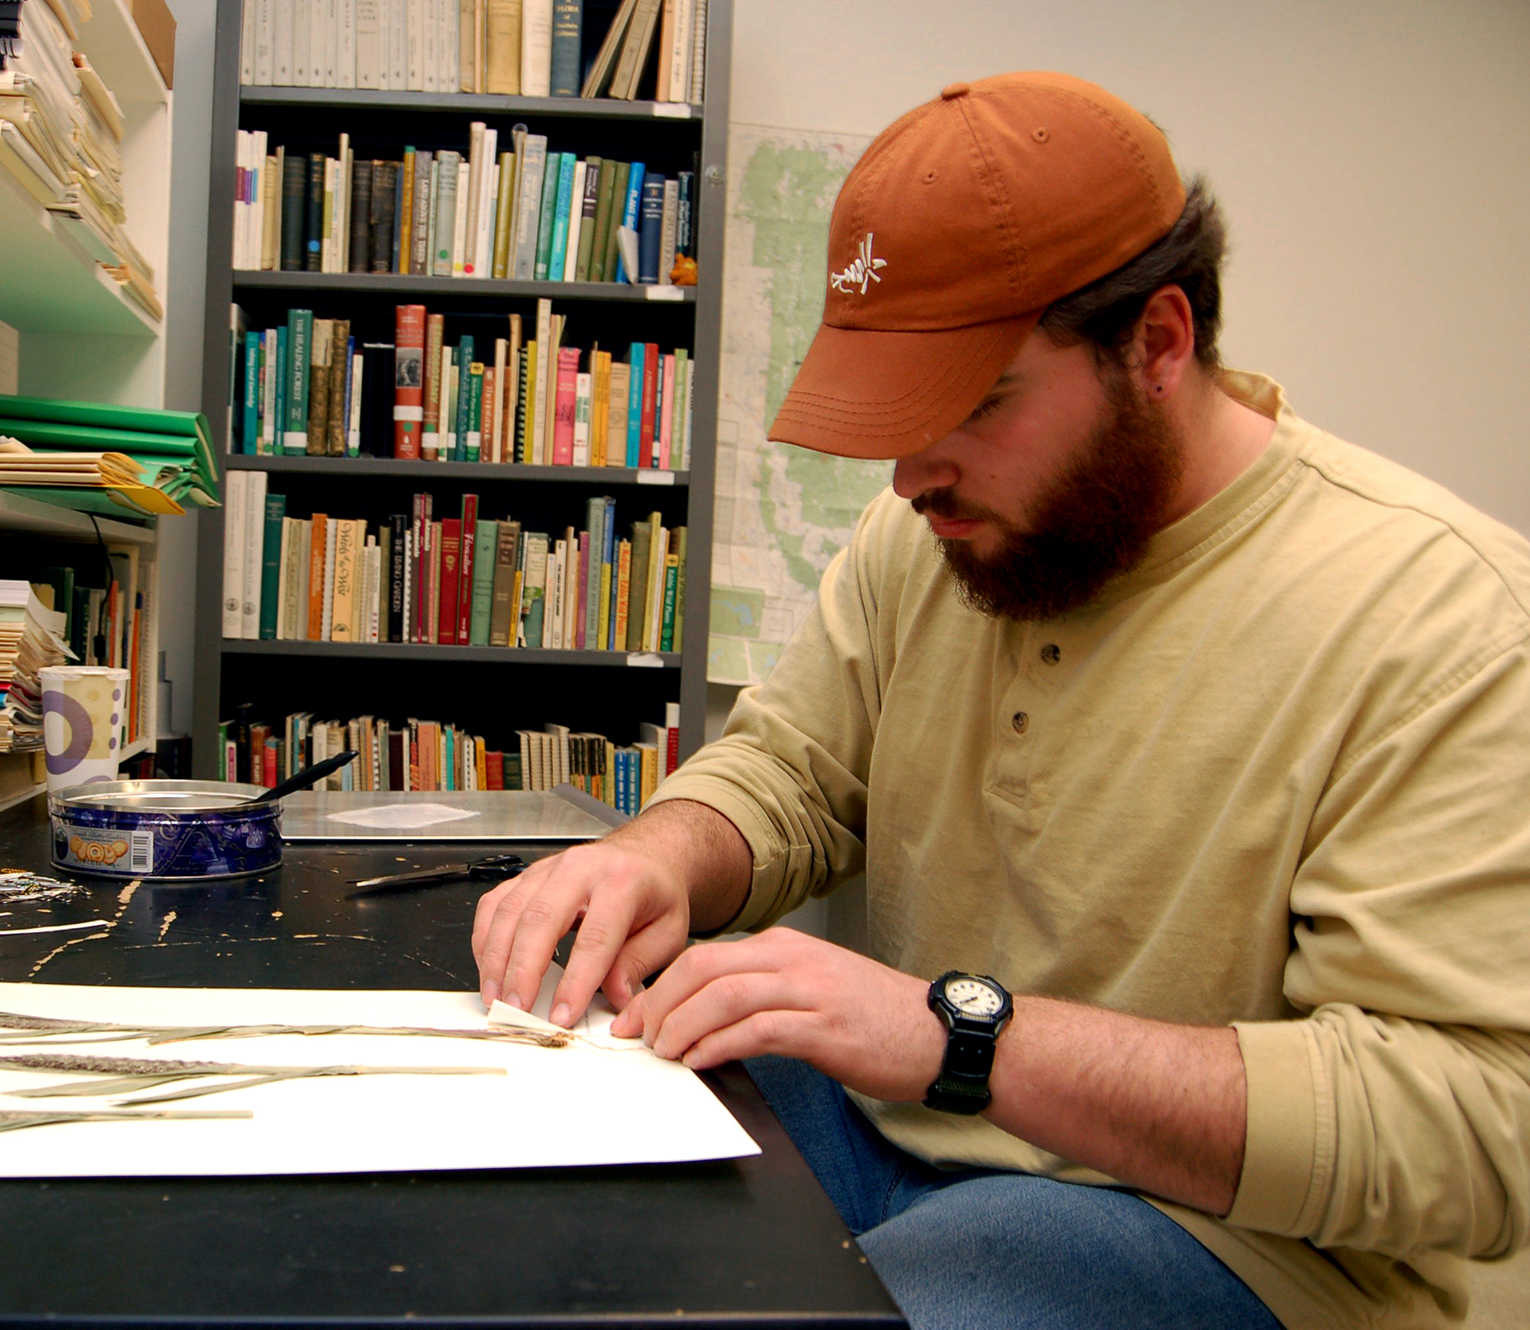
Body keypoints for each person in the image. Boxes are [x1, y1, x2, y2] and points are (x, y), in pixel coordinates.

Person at [470, 71, 1530, 1330]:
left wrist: (963, 1041)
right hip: (892, 1117)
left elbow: (1472, 1127)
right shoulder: (926, 534)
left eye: (972, 405)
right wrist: (654, 857)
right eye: (891, 414)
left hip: (1215, 1235)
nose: (911, 471)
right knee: (533, 1154)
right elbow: (794, 771)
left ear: (1158, 343)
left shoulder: (1443, 617)